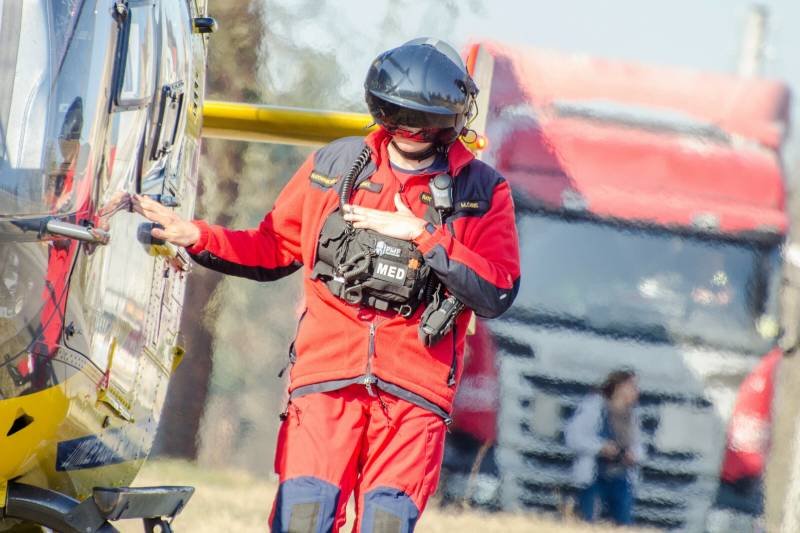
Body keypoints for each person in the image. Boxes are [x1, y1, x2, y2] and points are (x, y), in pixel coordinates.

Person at [133, 38, 520, 532]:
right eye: (402, 120)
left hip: (414, 397)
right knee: (303, 517)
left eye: (425, 124)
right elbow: (273, 248)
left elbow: (497, 290)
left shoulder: (481, 190)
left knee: (385, 522)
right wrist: (197, 236)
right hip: (325, 384)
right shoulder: (334, 167)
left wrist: (424, 237)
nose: (412, 133)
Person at [565, 369, 644, 525]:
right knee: (588, 522)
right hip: (596, 477)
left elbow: (639, 445)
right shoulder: (593, 407)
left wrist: (634, 455)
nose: (636, 391)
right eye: (631, 386)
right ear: (619, 387)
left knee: (623, 524)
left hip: (622, 478)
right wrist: (601, 447)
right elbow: (573, 437)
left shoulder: (633, 415)